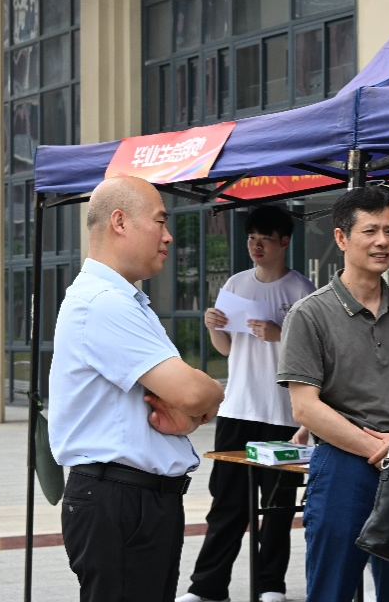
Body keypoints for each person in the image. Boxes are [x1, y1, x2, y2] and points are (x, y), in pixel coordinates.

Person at [49, 176, 225, 602]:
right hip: (120, 498)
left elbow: (185, 401)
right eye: (160, 221)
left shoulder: (123, 301)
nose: (168, 236)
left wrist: (191, 409)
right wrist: (207, 396)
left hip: (135, 497)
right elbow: (194, 394)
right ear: (119, 221)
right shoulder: (103, 302)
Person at [277, 186, 389, 602]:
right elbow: (305, 407)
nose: (382, 241)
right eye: (370, 231)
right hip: (342, 466)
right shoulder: (309, 314)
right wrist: (380, 448)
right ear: (341, 237)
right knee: (331, 589)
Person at [177, 206, 315, 602]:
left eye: (265, 239)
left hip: (282, 413)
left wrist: (279, 333)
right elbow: (227, 347)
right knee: (228, 504)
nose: (256, 245)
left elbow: (314, 354)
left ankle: (271, 585)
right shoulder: (236, 284)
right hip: (237, 409)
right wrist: (213, 327)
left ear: (284, 242)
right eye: (252, 238)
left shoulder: (301, 291)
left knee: (277, 506)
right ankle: (208, 587)